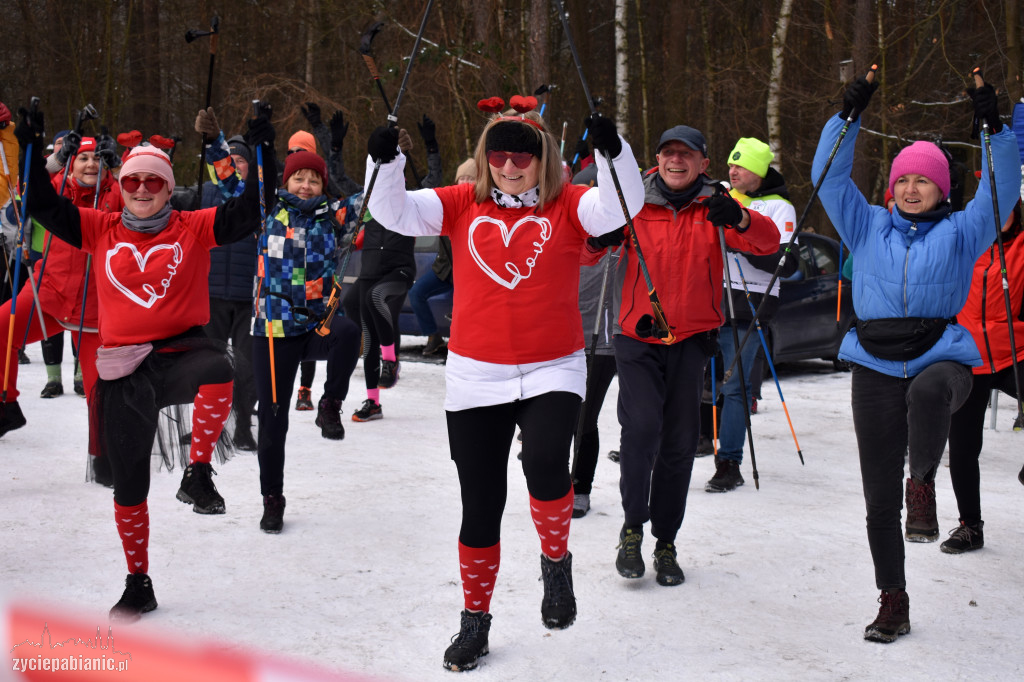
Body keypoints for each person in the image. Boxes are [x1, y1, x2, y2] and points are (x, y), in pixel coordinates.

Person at [365, 100, 644, 671]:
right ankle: (475, 620)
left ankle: (556, 562)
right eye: (500, 157)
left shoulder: (569, 205)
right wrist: (385, 160)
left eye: (522, 157)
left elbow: (621, 205)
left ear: (542, 161)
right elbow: (391, 211)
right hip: (475, 373)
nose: (510, 167)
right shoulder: (463, 203)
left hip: (553, 365)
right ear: (486, 159)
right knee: (480, 504)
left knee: (545, 463)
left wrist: (615, 154)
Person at [15, 103, 276, 622]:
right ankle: (139, 581)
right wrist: (32, 144)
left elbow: (252, 209)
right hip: (123, 368)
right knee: (130, 484)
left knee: (220, 368)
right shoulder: (100, 226)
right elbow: (41, 204)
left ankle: (197, 472)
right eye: (131, 179)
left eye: (152, 182)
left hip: (180, 349)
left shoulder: (192, 225)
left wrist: (260, 145)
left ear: (166, 186)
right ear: (122, 183)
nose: (140, 189)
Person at [812, 75, 1019, 643]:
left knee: (930, 392)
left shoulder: (961, 231)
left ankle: (923, 481)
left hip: (942, 355)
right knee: (879, 499)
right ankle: (893, 601)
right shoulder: (866, 225)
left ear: (941, 189)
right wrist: (847, 116)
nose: (910, 186)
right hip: (875, 362)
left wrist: (993, 128)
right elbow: (827, 177)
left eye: (923, 179)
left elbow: (1000, 190)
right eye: (902, 177)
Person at [607, 125, 780, 587]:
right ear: (657, 159)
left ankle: (665, 541)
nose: (675, 161)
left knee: (680, 445)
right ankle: (631, 528)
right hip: (638, 338)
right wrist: (598, 239)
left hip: (690, 340)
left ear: (704, 162)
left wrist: (740, 219)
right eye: (668, 153)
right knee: (642, 428)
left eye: (686, 154)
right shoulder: (631, 200)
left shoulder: (718, 204)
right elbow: (584, 252)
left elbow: (768, 244)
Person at [251, 148, 361, 533]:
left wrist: (388, 158)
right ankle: (272, 498)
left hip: (318, 321)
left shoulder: (334, 217)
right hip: (274, 329)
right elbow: (235, 182)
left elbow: (377, 196)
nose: (306, 184)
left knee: (349, 332)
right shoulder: (267, 211)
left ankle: (330, 404)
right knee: (272, 422)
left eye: (314, 179)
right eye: (299, 178)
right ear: (287, 181)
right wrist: (228, 144)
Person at [0, 135, 121, 453]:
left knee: (101, 391)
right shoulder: (55, 188)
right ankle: (6, 404)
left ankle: (105, 456)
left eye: (98, 157)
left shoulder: (117, 193)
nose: (91, 163)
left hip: (96, 312)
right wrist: (53, 160)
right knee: (1, 328)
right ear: (70, 165)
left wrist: (119, 167)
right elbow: (22, 198)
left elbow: (146, 194)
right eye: (82, 158)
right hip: (48, 296)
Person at [707, 137, 798, 492]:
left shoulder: (779, 208)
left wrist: (742, 240)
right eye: (731, 164)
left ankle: (729, 461)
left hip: (750, 303)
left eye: (741, 165)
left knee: (735, 385)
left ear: (759, 171)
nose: (733, 170)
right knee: (696, 378)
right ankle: (695, 439)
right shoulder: (724, 194)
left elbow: (786, 263)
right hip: (711, 295)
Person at [345, 121, 441, 422]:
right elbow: (337, 180)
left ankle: (391, 358)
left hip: (398, 272)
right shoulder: (371, 199)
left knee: (376, 299)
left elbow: (435, 180)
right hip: (370, 270)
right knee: (364, 326)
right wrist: (335, 146)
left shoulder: (410, 202)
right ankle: (373, 401)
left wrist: (431, 146)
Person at [945, 197, 1024, 553]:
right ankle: (970, 526)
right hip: (969, 358)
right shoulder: (963, 245)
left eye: (1006, 207)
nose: (999, 216)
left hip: (1015, 352)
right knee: (962, 447)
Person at [193, 107, 261, 451]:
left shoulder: (258, 199)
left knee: (246, 367)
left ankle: (244, 425)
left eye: (242, 159)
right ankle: (207, 426)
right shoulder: (205, 194)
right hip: (212, 294)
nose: (236, 163)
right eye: (229, 157)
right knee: (209, 364)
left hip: (248, 296)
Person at [568, 162, 620, 519]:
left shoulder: (621, 237)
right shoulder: (567, 233)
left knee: (585, 418)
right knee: (560, 417)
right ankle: (553, 482)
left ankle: (579, 487)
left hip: (603, 341)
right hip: (563, 338)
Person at [408, 156, 475, 357]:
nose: (464, 182)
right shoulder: (450, 204)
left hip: (469, 271)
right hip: (444, 268)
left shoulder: (481, 209)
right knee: (416, 293)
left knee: (463, 306)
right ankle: (433, 336)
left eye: (469, 178)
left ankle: (463, 346)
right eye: (461, 178)